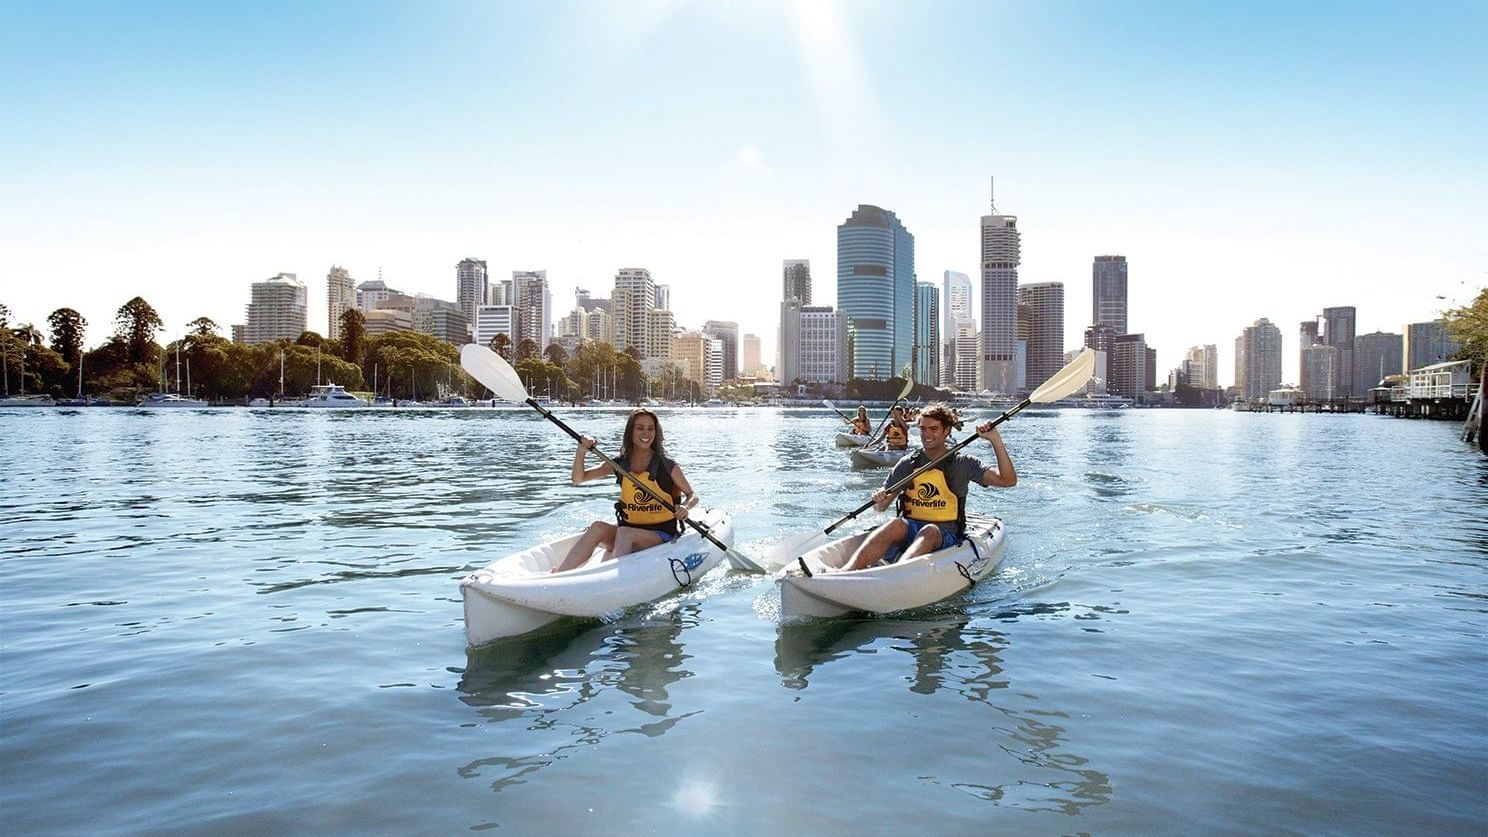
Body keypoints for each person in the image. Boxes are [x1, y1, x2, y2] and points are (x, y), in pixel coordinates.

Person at [838, 403, 1016, 572]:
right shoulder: (908, 463)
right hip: (911, 527)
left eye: (933, 429)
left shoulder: (963, 463)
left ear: (946, 431)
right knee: (895, 523)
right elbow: (881, 507)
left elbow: (1007, 480)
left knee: (929, 530)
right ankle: (846, 571)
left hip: (946, 534)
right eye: (923, 429)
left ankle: (896, 574)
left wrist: (995, 439)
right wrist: (879, 497)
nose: (927, 434)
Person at [552, 409, 698, 572]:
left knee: (625, 533)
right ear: (631, 432)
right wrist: (581, 451)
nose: (646, 433)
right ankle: (560, 574)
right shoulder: (620, 464)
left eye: (651, 428)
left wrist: (685, 507)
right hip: (628, 531)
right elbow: (578, 479)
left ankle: (608, 577)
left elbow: (692, 495)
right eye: (640, 428)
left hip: (660, 534)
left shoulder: (668, 465)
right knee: (597, 527)